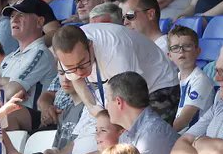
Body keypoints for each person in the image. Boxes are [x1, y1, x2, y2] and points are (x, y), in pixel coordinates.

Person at [52, 23, 180, 123]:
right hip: (122, 82)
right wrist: (95, 110)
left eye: (82, 63)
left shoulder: (115, 50)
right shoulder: (68, 52)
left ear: (90, 46)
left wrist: (113, 122)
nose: (79, 72)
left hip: (159, 84)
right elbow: (76, 79)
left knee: (146, 136)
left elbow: (130, 97)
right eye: (70, 67)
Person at [103, 72, 183, 154]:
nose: (106, 106)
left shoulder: (153, 134)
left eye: (108, 100)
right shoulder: (126, 136)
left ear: (119, 102)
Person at [165, 26, 215, 133]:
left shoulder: (200, 80)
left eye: (187, 46)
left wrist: (161, 134)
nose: (181, 51)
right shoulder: (173, 79)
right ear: (169, 55)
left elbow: (183, 121)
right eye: (175, 48)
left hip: (192, 138)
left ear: (198, 51)